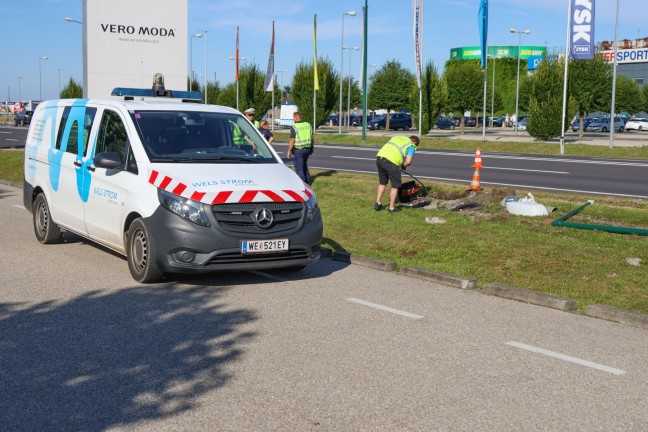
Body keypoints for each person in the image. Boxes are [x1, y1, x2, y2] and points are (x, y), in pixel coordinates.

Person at [374, 135, 419, 213]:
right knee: (395, 185)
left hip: (379, 158)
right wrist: (403, 166)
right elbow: (408, 161)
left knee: (382, 182)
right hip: (391, 162)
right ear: (415, 142)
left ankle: (378, 203)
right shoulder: (411, 145)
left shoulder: (398, 138)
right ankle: (391, 208)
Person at [287, 111, 314, 184]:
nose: (293, 119)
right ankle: (307, 178)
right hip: (307, 149)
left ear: (296, 117)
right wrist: (312, 148)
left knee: (299, 167)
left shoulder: (294, 127)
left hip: (299, 150)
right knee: (304, 164)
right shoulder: (308, 125)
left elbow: (292, 140)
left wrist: (289, 150)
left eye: (293, 118)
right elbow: (312, 138)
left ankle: (302, 183)